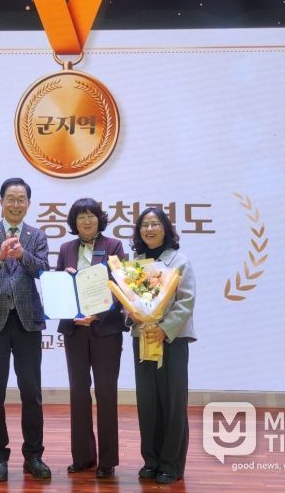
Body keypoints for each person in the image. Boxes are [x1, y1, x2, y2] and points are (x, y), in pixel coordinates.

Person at [0, 178, 51, 482]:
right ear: (1, 202)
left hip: (28, 320)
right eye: (10, 198)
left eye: (21, 199)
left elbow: (43, 270)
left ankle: (33, 455)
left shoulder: (37, 235)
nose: (16, 204)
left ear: (28, 204)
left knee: (32, 392)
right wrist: (0, 256)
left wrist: (22, 256)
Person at [55, 198, 127, 479]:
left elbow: (121, 289)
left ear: (100, 219)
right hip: (75, 330)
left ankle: (107, 461)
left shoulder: (113, 247)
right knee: (78, 393)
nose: (86, 221)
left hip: (105, 330)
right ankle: (83, 457)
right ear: (74, 222)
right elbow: (59, 288)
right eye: (81, 217)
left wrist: (96, 314)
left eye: (91, 216)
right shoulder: (66, 249)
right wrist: (66, 282)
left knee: (106, 393)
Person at [129, 207, 196, 484]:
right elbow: (130, 300)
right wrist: (132, 314)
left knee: (172, 402)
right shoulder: (136, 263)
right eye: (144, 225)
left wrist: (164, 328)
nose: (149, 229)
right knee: (147, 402)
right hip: (143, 338)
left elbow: (186, 302)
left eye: (155, 224)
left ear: (166, 228)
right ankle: (151, 460)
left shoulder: (179, 261)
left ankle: (171, 463)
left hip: (172, 339)